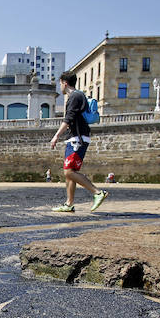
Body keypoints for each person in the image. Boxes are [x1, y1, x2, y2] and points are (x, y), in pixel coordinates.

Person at [49, 71, 108, 212]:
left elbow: (68, 119)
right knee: (71, 171)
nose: (60, 87)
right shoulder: (77, 95)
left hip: (77, 139)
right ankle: (69, 204)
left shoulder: (74, 96)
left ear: (64, 82)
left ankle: (97, 193)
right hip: (76, 138)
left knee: (69, 172)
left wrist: (56, 136)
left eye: (60, 84)